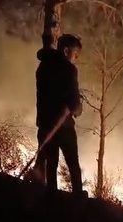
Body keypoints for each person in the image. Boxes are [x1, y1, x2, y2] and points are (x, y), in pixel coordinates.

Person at [32, 33, 86, 196]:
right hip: (64, 127)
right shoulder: (69, 70)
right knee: (73, 164)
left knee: (51, 164)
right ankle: (77, 198)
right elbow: (74, 103)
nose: (75, 58)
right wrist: (78, 109)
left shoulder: (43, 67)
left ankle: (51, 198)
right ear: (66, 51)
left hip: (44, 124)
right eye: (75, 54)